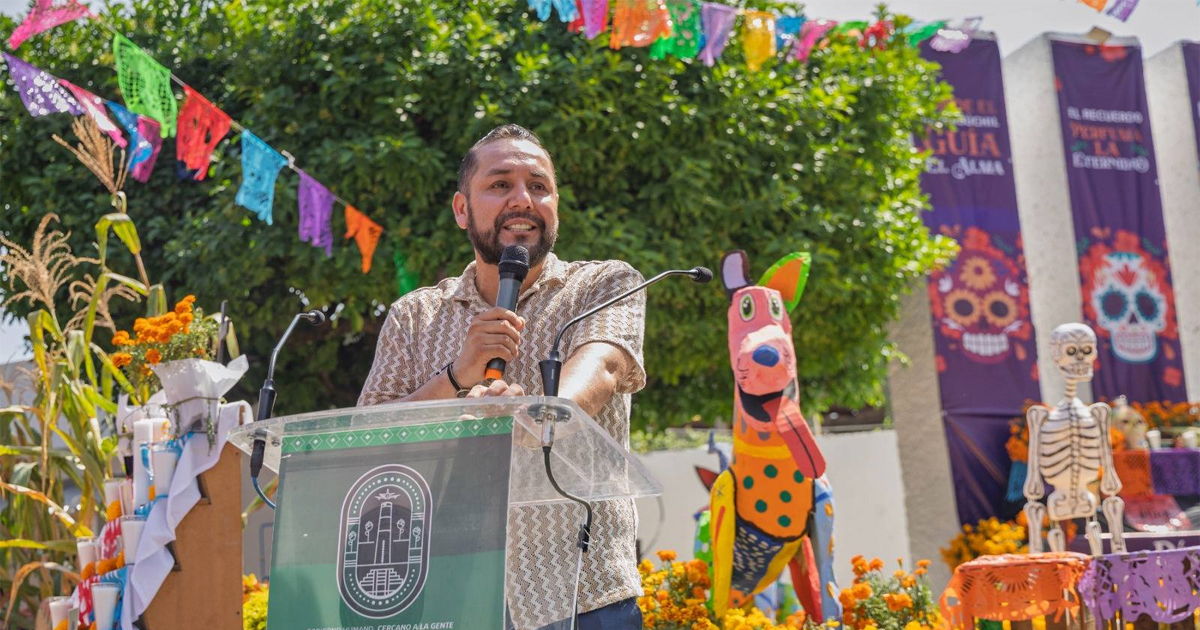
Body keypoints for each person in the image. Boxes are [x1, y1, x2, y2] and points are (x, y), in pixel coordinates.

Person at [358, 124, 646, 629]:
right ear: (461, 210)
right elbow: (368, 440)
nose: (523, 199)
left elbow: (601, 366)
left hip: (583, 596)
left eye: (539, 186)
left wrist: (532, 418)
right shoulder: (415, 314)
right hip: (450, 597)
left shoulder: (604, 283)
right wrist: (456, 376)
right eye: (500, 184)